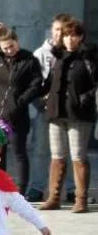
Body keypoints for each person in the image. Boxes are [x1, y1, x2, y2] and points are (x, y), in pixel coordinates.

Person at [0, 24, 44, 195]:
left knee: (19, 152)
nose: (9, 50)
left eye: (11, 46)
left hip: (16, 114)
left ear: (17, 41)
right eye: (4, 48)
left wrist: (20, 102)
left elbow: (36, 85)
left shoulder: (29, 60)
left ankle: (20, 191)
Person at [40, 17, 97, 212]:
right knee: (57, 155)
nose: (69, 39)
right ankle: (54, 197)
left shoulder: (89, 56)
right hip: (57, 112)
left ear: (81, 37)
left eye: (74, 35)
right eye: (66, 36)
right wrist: (42, 97)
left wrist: (85, 98)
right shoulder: (58, 56)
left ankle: (81, 199)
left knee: (78, 155)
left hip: (79, 113)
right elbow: (49, 82)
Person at [29, 14, 72, 201]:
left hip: (67, 110)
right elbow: (31, 82)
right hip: (44, 110)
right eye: (56, 29)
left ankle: (71, 189)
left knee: (69, 151)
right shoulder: (40, 54)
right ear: (51, 30)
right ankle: (36, 188)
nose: (59, 34)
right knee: (40, 149)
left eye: (63, 30)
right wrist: (40, 103)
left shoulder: (72, 52)